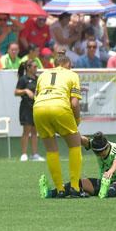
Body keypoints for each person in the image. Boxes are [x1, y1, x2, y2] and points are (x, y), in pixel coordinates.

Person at [35, 54, 85, 198]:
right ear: (68, 64)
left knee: (51, 150)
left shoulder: (43, 74)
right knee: (75, 145)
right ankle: (75, 188)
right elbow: (74, 103)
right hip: (59, 106)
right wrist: (77, 119)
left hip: (38, 108)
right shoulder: (72, 74)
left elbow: (37, 96)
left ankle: (60, 189)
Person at [79, 132, 116, 198]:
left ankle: (93, 191)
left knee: (112, 190)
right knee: (77, 183)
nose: (100, 155)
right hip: (103, 183)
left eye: (101, 153)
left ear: (106, 147)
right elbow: (82, 140)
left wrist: (110, 171)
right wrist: (72, 132)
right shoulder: (95, 144)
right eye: (97, 153)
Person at [15, 59, 41, 162]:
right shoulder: (23, 79)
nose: (36, 69)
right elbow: (16, 92)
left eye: (36, 67)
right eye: (34, 67)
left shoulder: (37, 79)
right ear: (28, 68)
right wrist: (26, 90)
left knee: (35, 132)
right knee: (26, 131)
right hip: (26, 107)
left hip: (36, 107)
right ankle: (24, 154)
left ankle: (34, 154)